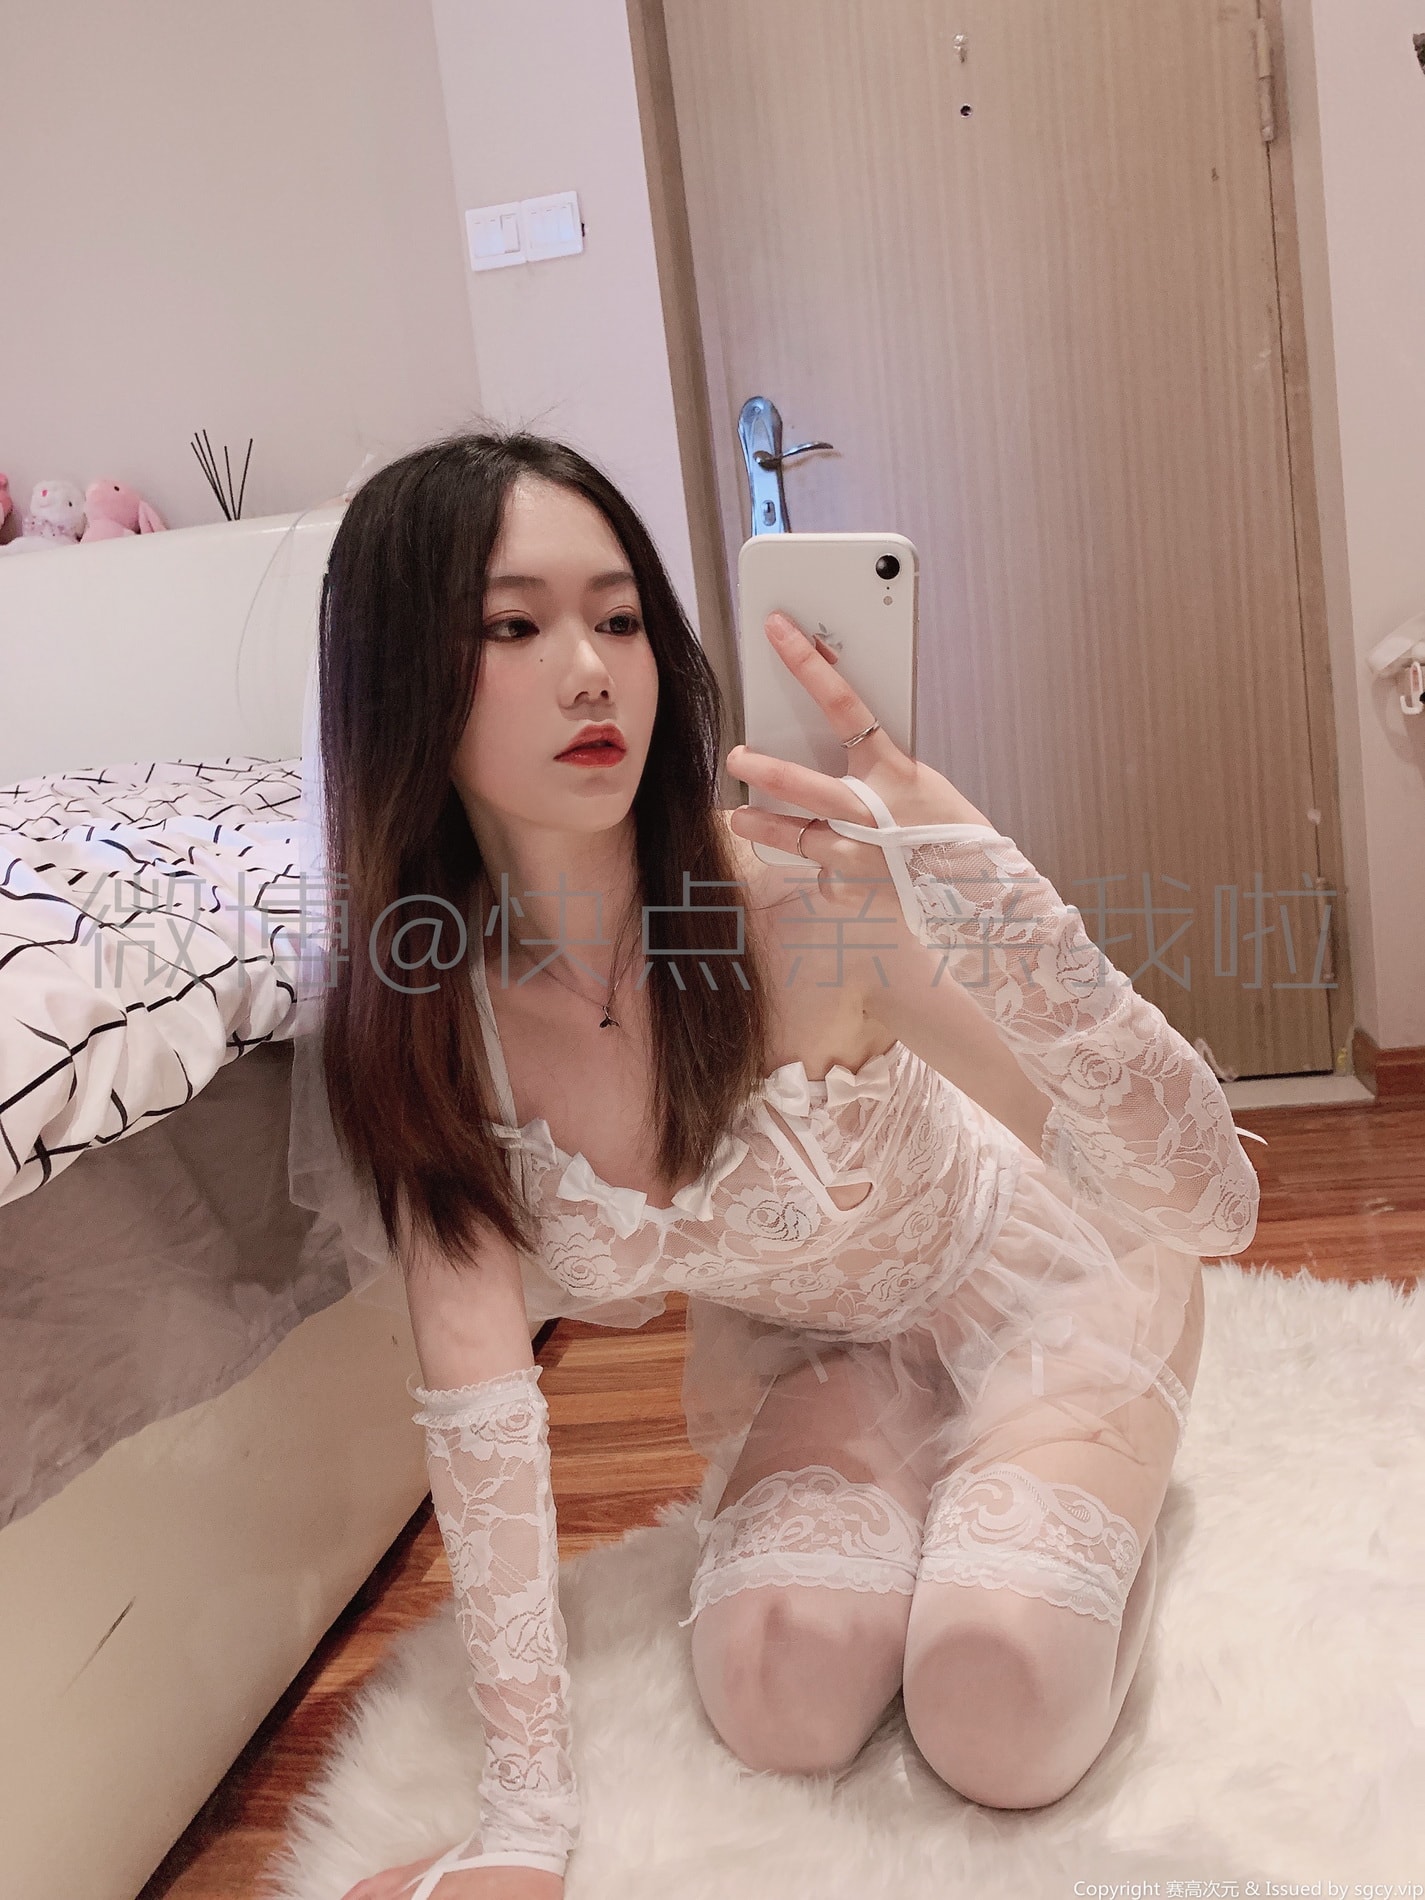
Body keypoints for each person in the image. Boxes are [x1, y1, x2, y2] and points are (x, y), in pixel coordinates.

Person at [287, 429, 1260, 1900]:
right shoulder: (434, 1015)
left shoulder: (803, 900)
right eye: (514, 626)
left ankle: (1074, 1496)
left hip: (1041, 1287)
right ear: (398, 681)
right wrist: (524, 1825)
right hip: (819, 1352)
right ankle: (968, 1521)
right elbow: (482, 1423)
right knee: (776, 1699)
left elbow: (1207, 1205)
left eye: (621, 618)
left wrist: (975, 879)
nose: (591, 671)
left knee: (995, 1707)